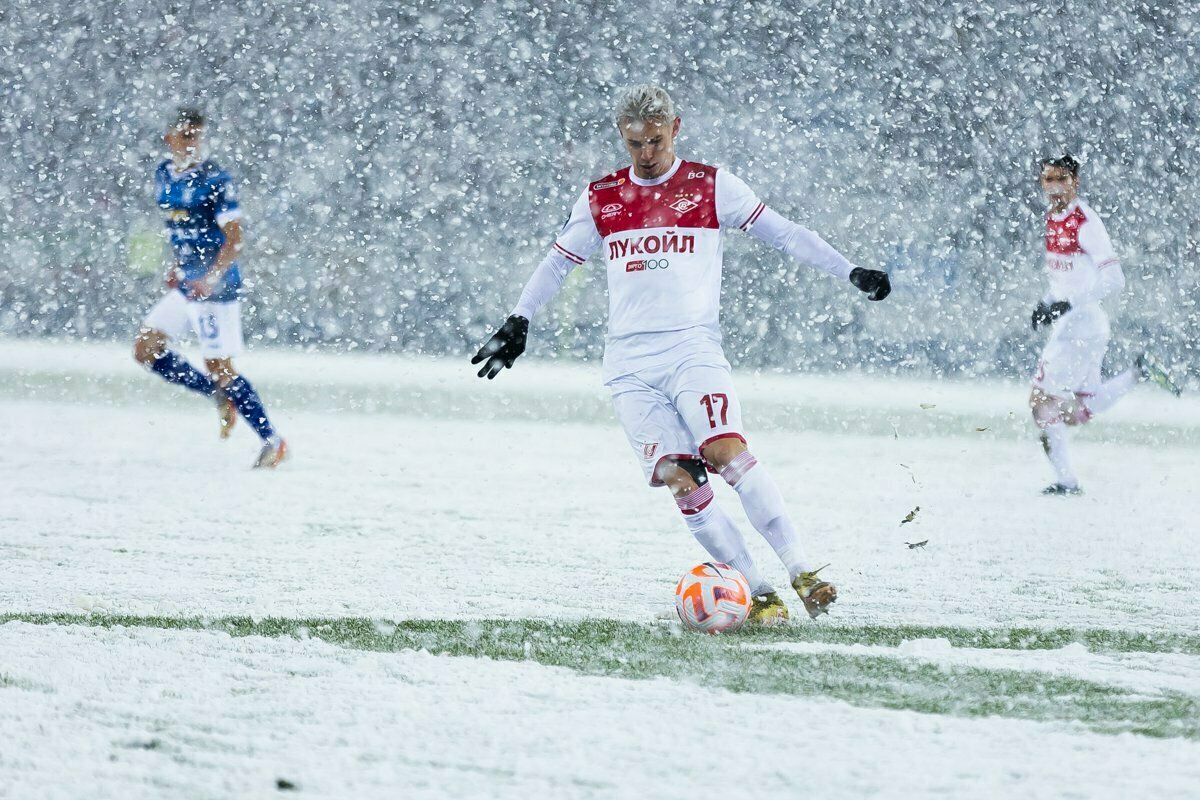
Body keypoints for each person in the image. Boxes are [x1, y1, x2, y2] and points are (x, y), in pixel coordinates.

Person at [472, 85, 891, 624]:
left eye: (654, 140)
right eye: (634, 144)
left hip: (691, 349)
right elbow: (557, 262)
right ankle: (760, 594)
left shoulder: (711, 186)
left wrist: (848, 270)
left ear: (676, 127)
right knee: (678, 474)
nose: (645, 155)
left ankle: (803, 572)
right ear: (622, 138)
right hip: (628, 365)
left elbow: (785, 234)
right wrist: (519, 319)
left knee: (724, 452)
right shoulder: (603, 196)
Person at [132, 107, 287, 469]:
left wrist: (211, 276)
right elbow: (182, 228)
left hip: (215, 286)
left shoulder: (215, 179)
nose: (193, 143)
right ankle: (218, 396)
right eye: (186, 135)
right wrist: (179, 265)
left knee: (221, 367)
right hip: (188, 282)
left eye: (198, 136)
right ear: (169, 137)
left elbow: (234, 239)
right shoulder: (163, 175)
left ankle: (272, 440)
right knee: (146, 348)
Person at [1029, 153, 1180, 495]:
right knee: (1076, 410)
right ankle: (1138, 372)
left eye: (1061, 179)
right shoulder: (1052, 218)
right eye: (1048, 179)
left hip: (1079, 327)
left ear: (1075, 182)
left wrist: (1068, 303)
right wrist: (1047, 302)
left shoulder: (1086, 222)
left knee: (1041, 403)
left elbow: (1115, 280)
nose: (1054, 186)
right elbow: (1063, 278)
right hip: (1082, 325)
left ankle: (1067, 482)